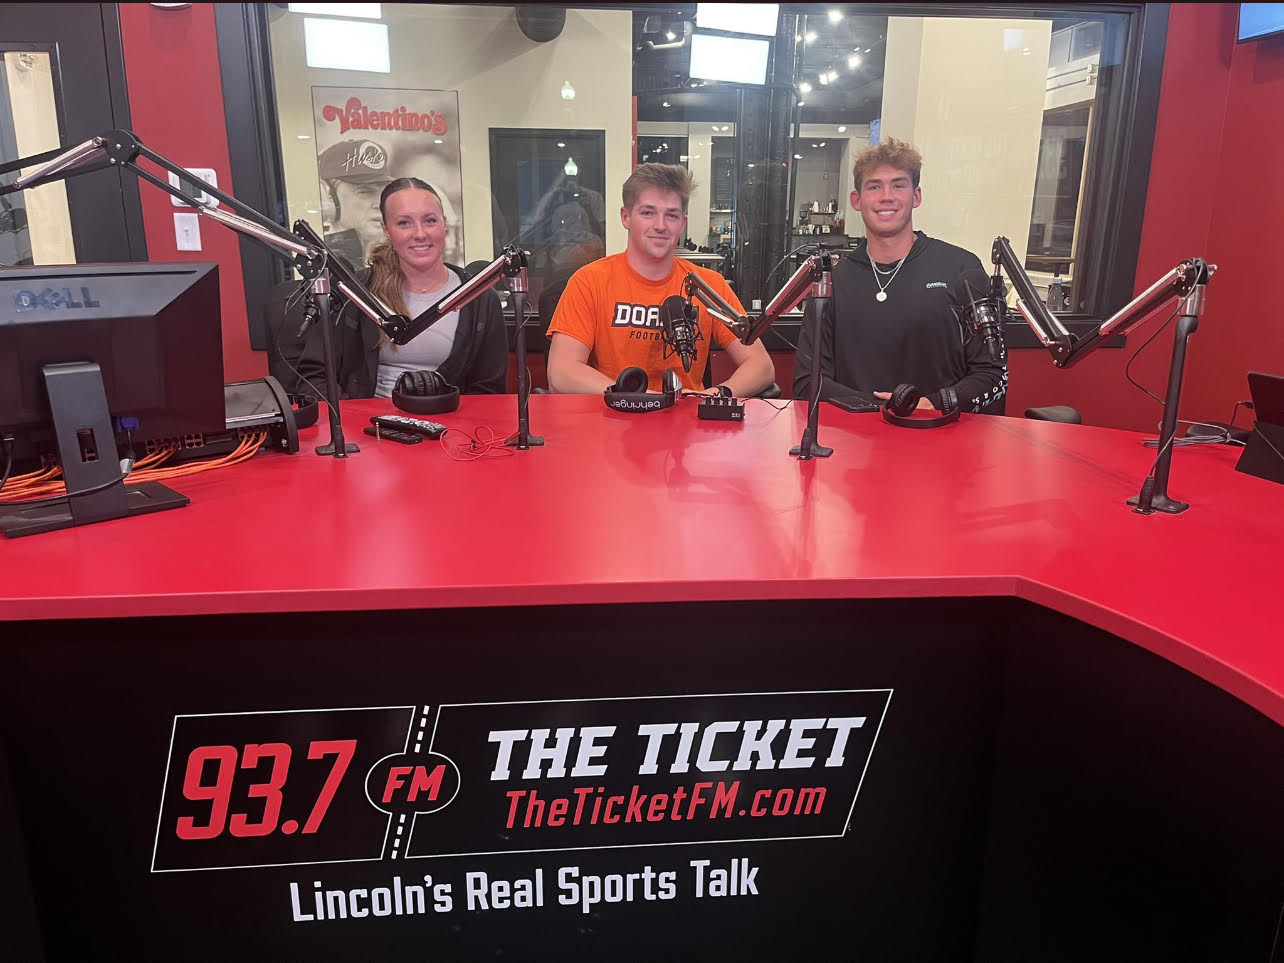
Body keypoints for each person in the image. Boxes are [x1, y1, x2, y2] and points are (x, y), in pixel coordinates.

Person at [793, 138, 1008, 415]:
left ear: (916, 196)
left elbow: (993, 374)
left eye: (898, 185)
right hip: (857, 442)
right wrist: (883, 411)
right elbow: (807, 383)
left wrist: (933, 404)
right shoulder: (831, 281)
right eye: (874, 186)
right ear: (856, 200)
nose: (887, 196)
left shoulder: (961, 268)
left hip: (942, 439)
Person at [546, 163, 774, 397]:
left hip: (688, 423)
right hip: (614, 419)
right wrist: (635, 398)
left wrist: (716, 395)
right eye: (648, 213)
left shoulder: (708, 286)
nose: (660, 226)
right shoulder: (589, 282)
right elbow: (562, 373)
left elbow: (761, 365)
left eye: (672, 215)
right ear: (626, 217)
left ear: (682, 224)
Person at [295, 176, 506, 399]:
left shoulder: (480, 299)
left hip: (449, 428)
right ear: (386, 229)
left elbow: (489, 392)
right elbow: (314, 377)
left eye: (430, 220)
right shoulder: (353, 293)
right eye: (404, 223)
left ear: (444, 223)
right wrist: (353, 421)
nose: (420, 234)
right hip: (366, 427)